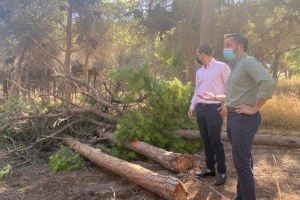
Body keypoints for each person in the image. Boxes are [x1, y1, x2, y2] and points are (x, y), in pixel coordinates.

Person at [219, 33, 275, 200]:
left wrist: (255, 108)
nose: (226, 48)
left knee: (241, 164)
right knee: (243, 160)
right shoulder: (236, 66)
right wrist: (226, 106)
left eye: (228, 44)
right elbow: (238, 94)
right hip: (234, 118)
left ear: (240, 45)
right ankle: (241, 196)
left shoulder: (248, 62)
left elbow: (268, 82)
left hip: (244, 119)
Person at [188, 44, 230, 186]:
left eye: (198, 54)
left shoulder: (222, 67)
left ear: (203, 54)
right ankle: (210, 168)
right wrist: (192, 106)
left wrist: (226, 105)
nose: (197, 57)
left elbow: (230, 87)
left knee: (215, 140)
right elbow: (196, 90)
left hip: (214, 109)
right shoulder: (199, 71)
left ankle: (222, 172)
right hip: (200, 109)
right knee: (206, 140)